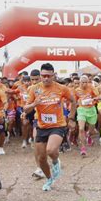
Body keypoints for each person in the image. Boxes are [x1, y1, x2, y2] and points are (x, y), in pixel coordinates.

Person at [24, 63, 76, 191]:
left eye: (48, 76)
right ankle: (49, 179)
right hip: (42, 126)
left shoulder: (61, 88)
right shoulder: (34, 89)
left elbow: (73, 101)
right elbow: (25, 108)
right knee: (41, 159)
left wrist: (71, 117)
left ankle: (55, 161)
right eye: (43, 76)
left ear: (53, 75)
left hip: (57, 125)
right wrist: (34, 104)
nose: (45, 78)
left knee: (51, 150)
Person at [73, 75, 100, 156]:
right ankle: (83, 148)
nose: (84, 84)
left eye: (86, 82)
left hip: (91, 110)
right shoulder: (76, 90)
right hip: (81, 109)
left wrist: (92, 99)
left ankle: (88, 135)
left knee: (92, 131)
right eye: (82, 82)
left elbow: (99, 96)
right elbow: (74, 101)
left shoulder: (92, 87)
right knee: (81, 129)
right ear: (80, 82)